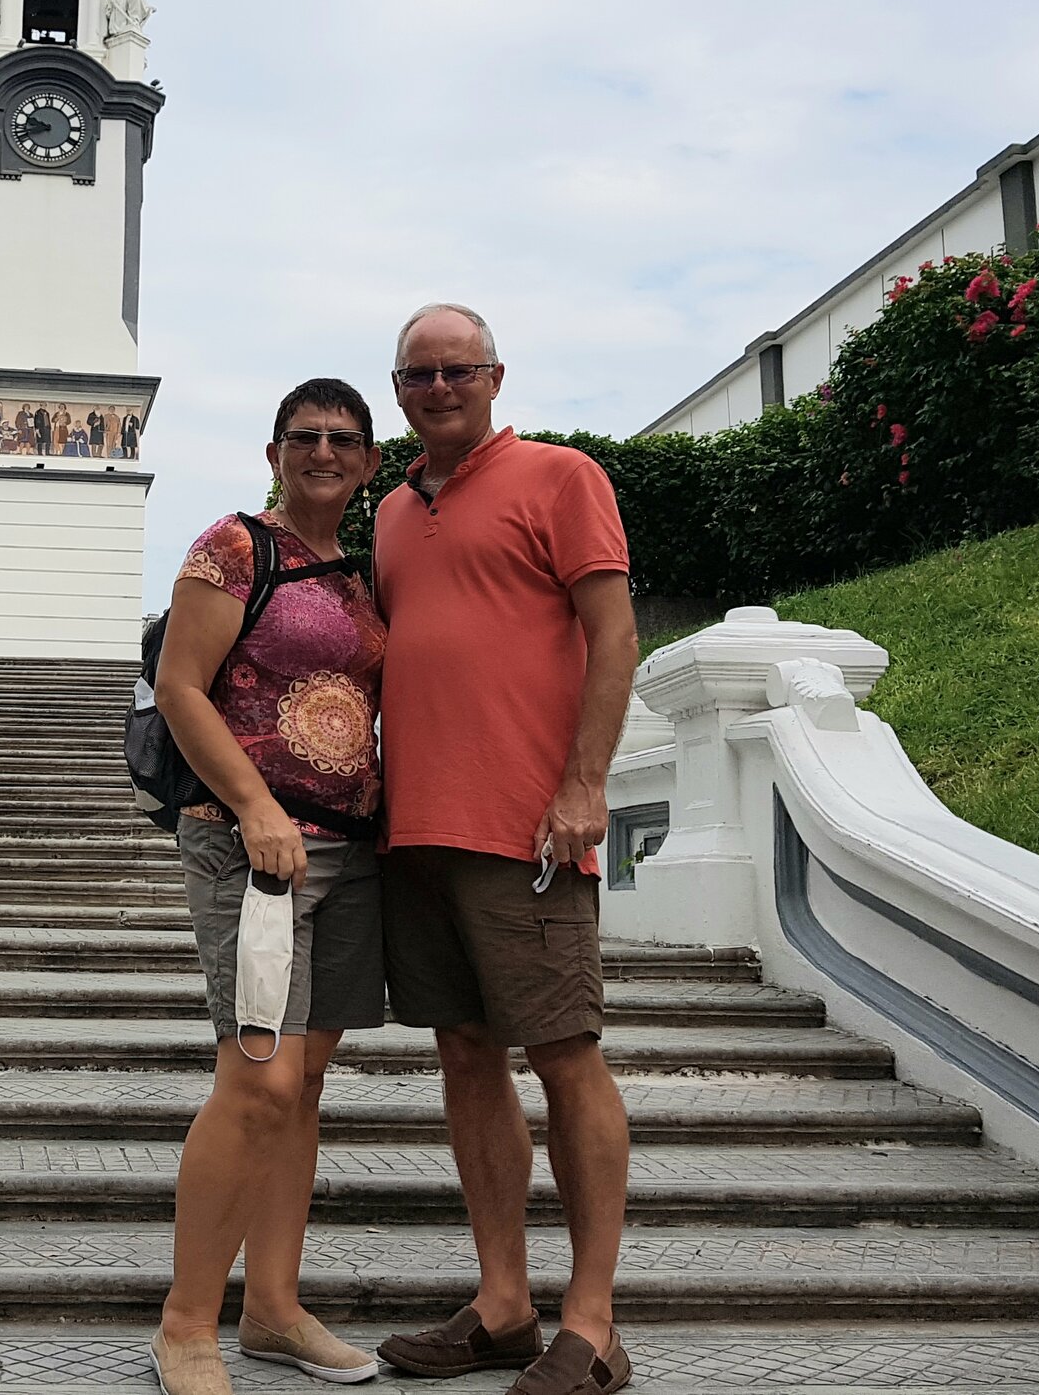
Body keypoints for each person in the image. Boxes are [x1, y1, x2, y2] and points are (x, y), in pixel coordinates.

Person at [370, 304, 641, 1395]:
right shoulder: (390, 511)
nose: (438, 388)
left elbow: (615, 633)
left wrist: (582, 784)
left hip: (524, 827)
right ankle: (502, 1306)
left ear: (493, 376)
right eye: (418, 375)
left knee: (565, 1056)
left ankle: (593, 1323)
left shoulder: (561, 477)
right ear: (399, 390)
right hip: (414, 830)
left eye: (457, 370)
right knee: (465, 1056)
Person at [149, 379, 390, 1395]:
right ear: (274, 450)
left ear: (371, 460)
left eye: (342, 438)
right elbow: (177, 685)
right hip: (250, 852)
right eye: (304, 437)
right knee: (258, 1084)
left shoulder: (371, 574)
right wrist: (254, 807)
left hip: (350, 850)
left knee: (303, 1092)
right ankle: (185, 1325)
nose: (323, 451)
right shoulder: (236, 547)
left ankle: (276, 1311)